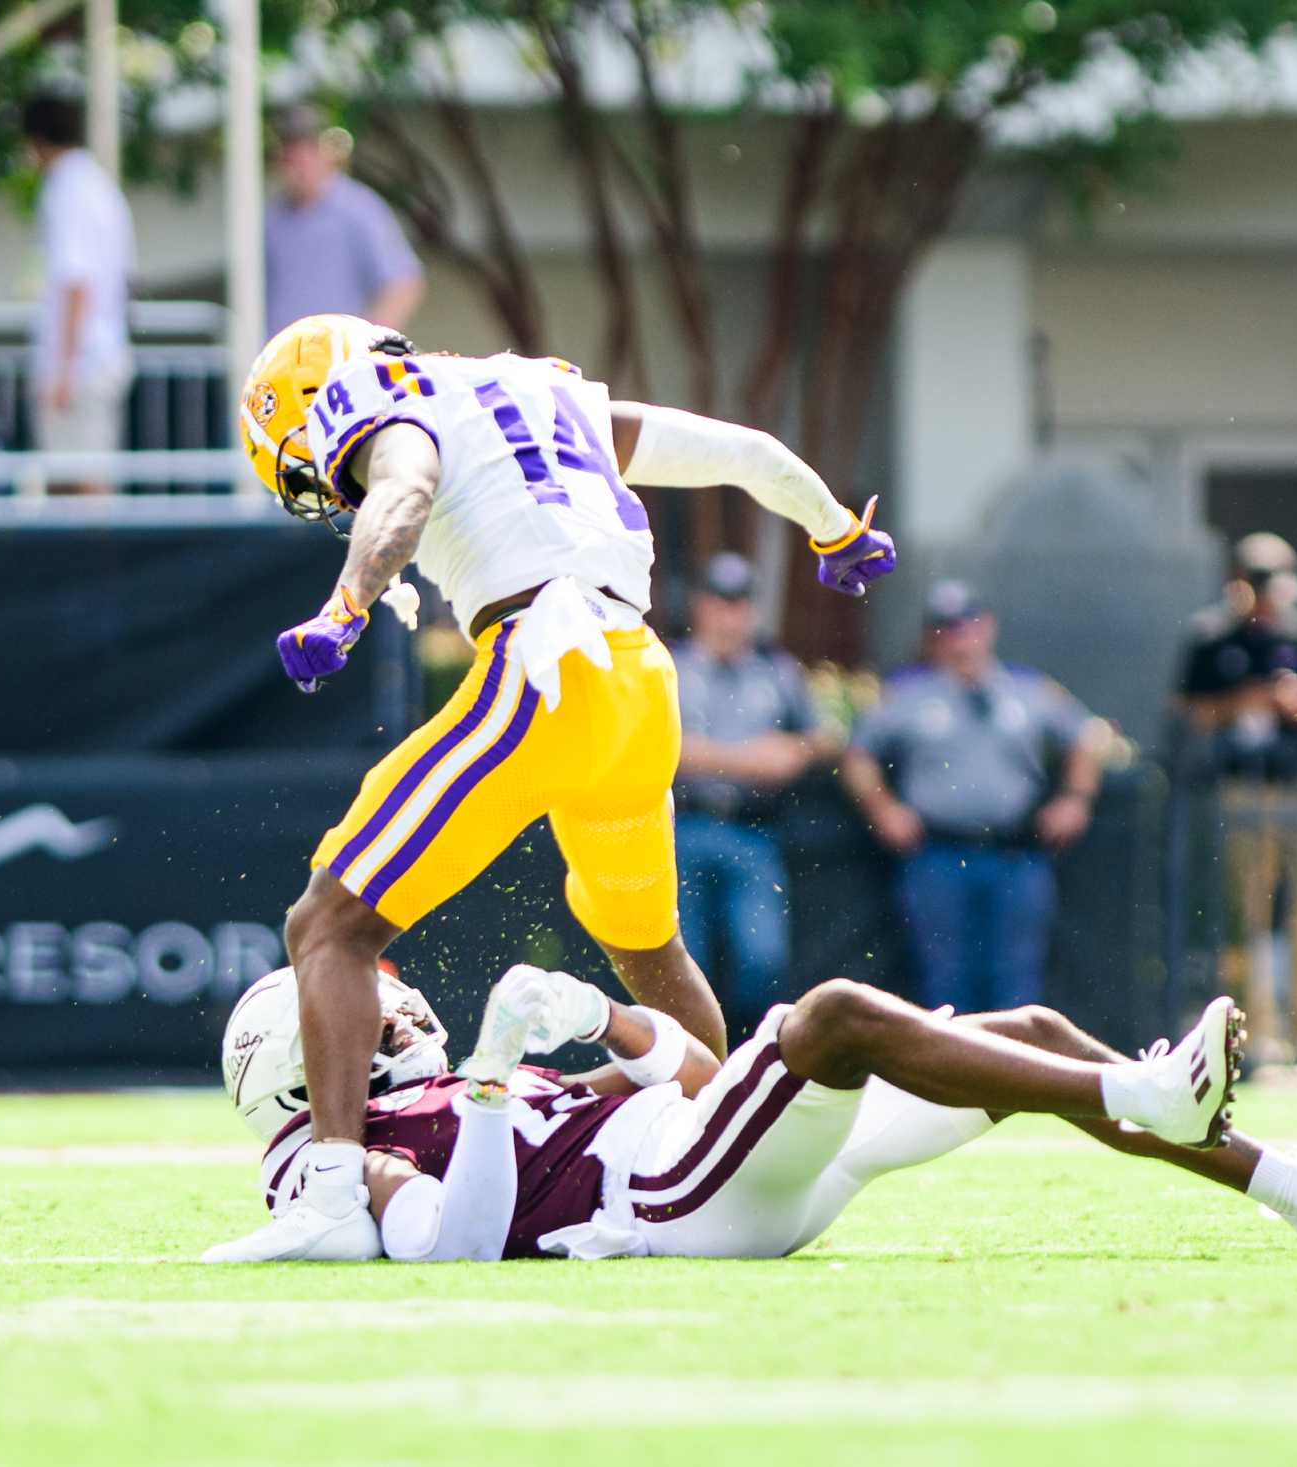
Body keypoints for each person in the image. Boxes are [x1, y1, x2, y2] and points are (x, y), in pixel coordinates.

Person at [234, 312, 897, 1261]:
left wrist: (346, 605)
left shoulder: (381, 396)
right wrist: (833, 527)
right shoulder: (545, 390)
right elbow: (744, 451)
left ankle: (333, 1191)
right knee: (650, 953)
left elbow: (406, 489)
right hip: (639, 678)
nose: (328, 483)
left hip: (545, 662)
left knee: (327, 924)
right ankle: (718, 1148)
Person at [201, 962, 1297, 1264]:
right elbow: (451, 1246)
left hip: (700, 1157)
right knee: (830, 1015)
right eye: (374, 1020)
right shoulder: (337, 1155)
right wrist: (483, 1070)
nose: (399, 1013)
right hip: (670, 1200)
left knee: (1018, 1038)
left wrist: (601, 1020)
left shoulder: (446, 1088)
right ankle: (1149, 1098)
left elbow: (687, 1074)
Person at [840, 581, 1107, 1013]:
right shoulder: (909, 694)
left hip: (1015, 853)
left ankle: (1015, 1078)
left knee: (1018, 980)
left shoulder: (1028, 690)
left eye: (966, 626)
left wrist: (1075, 798)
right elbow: (857, 754)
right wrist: (882, 808)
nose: (959, 639)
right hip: (938, 853)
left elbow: (1086, 738)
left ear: (988, 627)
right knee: (944, 981)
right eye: (946, 630)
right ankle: (948, 1078)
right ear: (932, 639)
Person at [1176, 533, 1297, 1061]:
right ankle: (1253, 1031)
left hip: (1296, 785)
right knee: (1246, 912)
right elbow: (1189, 711)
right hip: (1241, 787)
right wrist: (1243, 701)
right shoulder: (1212, 638)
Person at [670, 552, 831, 1029]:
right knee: (683, 962)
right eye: (721, 602)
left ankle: (742, 1056)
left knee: (762, 959)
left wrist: (792, 752)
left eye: (739, 603)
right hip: (683, 827)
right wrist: (748, 759)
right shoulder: (672, 667)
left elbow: (822, 739)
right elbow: (660, 748)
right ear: (702, 606)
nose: (730, 614)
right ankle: (686, 1070)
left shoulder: (776, 672)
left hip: (752, 831)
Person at [24, 93, 135, 493]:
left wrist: (63, 370)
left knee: (78, 486)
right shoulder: (95, 183)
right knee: (83, 478)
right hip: (97, 357)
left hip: (81, 362)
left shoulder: (67, 189)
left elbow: (77, 281)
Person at [264, 105, 425, 336]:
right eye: (290, 154)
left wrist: (366, 342)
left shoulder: (358, 208)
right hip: (284, 361)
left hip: (338, 361)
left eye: (308, 151)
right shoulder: (273, 219)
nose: (299, 164)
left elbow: (404, 283)